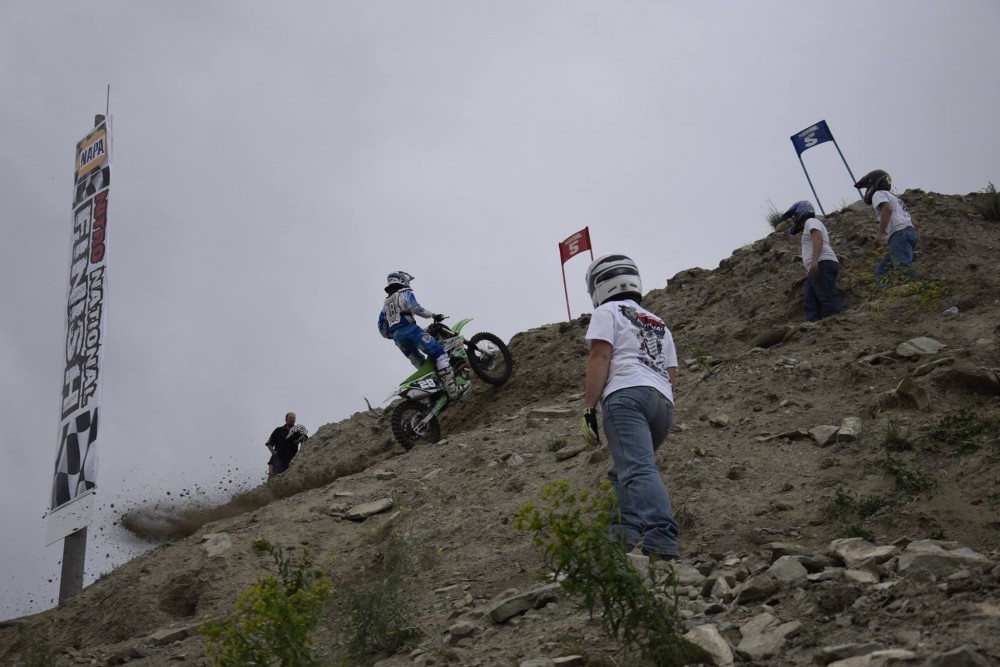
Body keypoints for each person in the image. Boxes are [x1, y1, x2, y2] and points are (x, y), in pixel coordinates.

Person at [579, 254, 681, 561]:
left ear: (598, 285)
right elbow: (671, 372)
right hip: (662, 402)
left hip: (625, 396)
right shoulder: (660, 323)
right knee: (621, 471)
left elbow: (600, 356)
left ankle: (662, 538)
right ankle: (623, 534)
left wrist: (588, 409)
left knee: (638, 469)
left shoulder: (607, 311)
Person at [378, 270, 465, 400]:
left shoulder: (385, 304)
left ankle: (434, 394)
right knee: (440, 353)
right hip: (411, 330)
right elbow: (416, 308)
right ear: (402, 280)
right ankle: (452, 389)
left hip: (398, 339)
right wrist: (433, 315)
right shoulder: (404, 293)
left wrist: (394, 334)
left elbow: (381, 327)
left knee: (421, 365)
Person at [781, 200, 843, 322]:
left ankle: (841, 323)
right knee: (811, 303)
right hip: (818, 267)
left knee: (827, 297)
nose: (798, 227)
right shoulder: (810, 224)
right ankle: (812, 328)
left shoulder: (810, 221)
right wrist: (803, 278)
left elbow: (817, 238)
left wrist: (814, 261)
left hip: (822, 264)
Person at [854, 169, 919, 281]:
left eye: (867, 186)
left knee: (903, 269)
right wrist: (911, 247)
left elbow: (887, 210)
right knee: (881, 273)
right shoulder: (896, 199)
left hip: (898, 234)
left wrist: (880, 234)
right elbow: (916, 225)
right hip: (909, 233)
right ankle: (892, 290)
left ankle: (914, 288)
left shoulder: (878, 194)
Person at [266, 412, 308, 478]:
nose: (292, 419)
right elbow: (269, 443)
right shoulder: (278, 430)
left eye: (294, 418)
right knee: (276, 478)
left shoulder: (298, 432)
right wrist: (273, 452)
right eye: (290, 418)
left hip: (292, 460)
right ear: (286, 419)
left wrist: (301, 453)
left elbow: (305, 441)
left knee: (289, 479)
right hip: (279, 459)